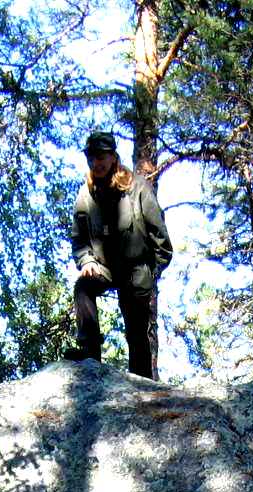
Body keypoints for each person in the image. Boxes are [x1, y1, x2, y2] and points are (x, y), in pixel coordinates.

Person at [68, 130, 173, 378]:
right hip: (103, 267)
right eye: (92, 158)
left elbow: (162, 239)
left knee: (136, 332)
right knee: (83, 287)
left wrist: (151, 271)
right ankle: (90, 354)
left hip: (135, 269)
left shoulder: (138, 188)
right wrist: (86, 260)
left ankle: (143, 384)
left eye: (102, 157)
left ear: (114, 157)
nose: (97, 163)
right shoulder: (86, 194)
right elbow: (79, 238)